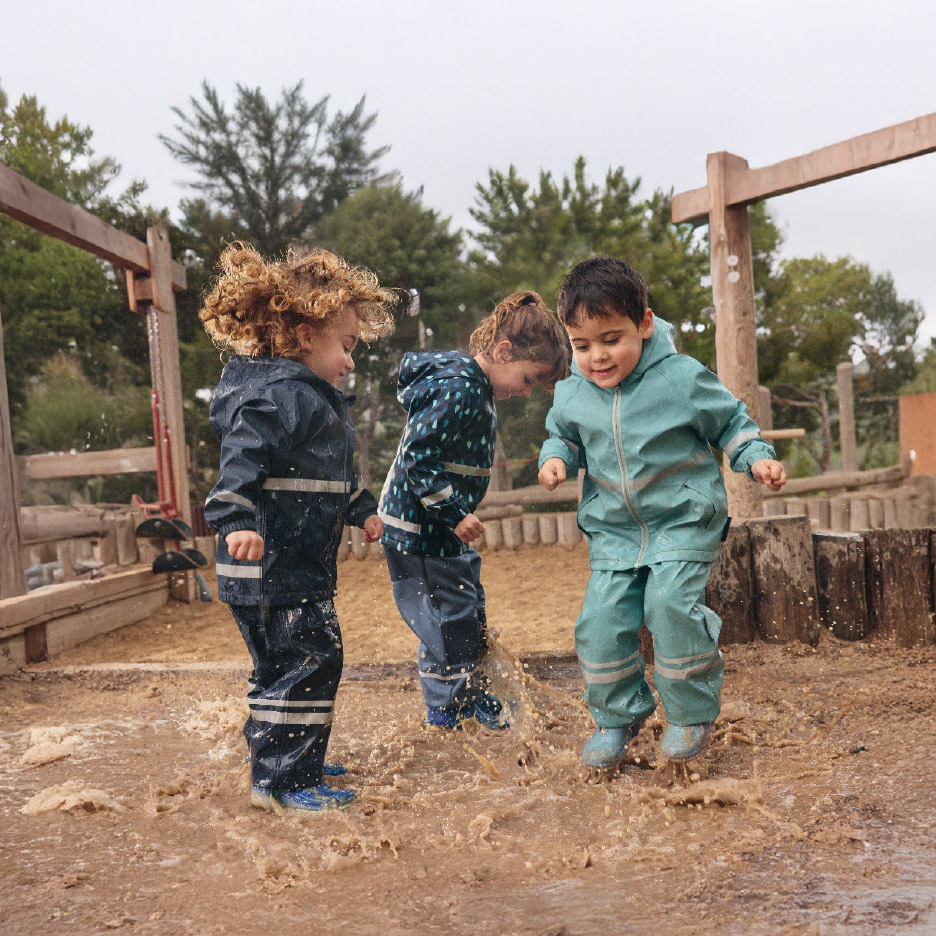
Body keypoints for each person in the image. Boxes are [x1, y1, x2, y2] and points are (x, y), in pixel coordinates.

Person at [538, 257, 786, 768]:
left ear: (644, 324)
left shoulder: (680, 378)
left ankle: (690, 713)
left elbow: (730, 421)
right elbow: (561, 434)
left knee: (669, 605)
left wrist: (756, 457)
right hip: (614, 531)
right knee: (599, 622)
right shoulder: (572, 392)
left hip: (683, 518)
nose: (597, 357)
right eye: (582, 345)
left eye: (612, 339)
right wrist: (556, 459)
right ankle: (618, 717)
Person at [201, 243, 395, 812]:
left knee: (282, 667)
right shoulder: (280, 396)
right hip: (276, 567)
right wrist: (235, 517)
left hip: (280, 567)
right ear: (307, 336)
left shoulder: (304, 396)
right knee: (311, 660)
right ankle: (283, 782)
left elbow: (326, 475)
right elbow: (240, 461)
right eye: (348, 346)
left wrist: (362, 509)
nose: (352, 361)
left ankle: (284, 758)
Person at [379, 292, 570, 730]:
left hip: (437, 525)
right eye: (527, 379)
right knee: (447, 614)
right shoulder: (460, 385)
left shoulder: (472, 385)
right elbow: (418, 456)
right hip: (421, 526)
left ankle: (462, 693)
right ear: (504, 352)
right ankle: (451, 705)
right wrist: (454, 513)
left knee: (463, 604)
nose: (523, 392)